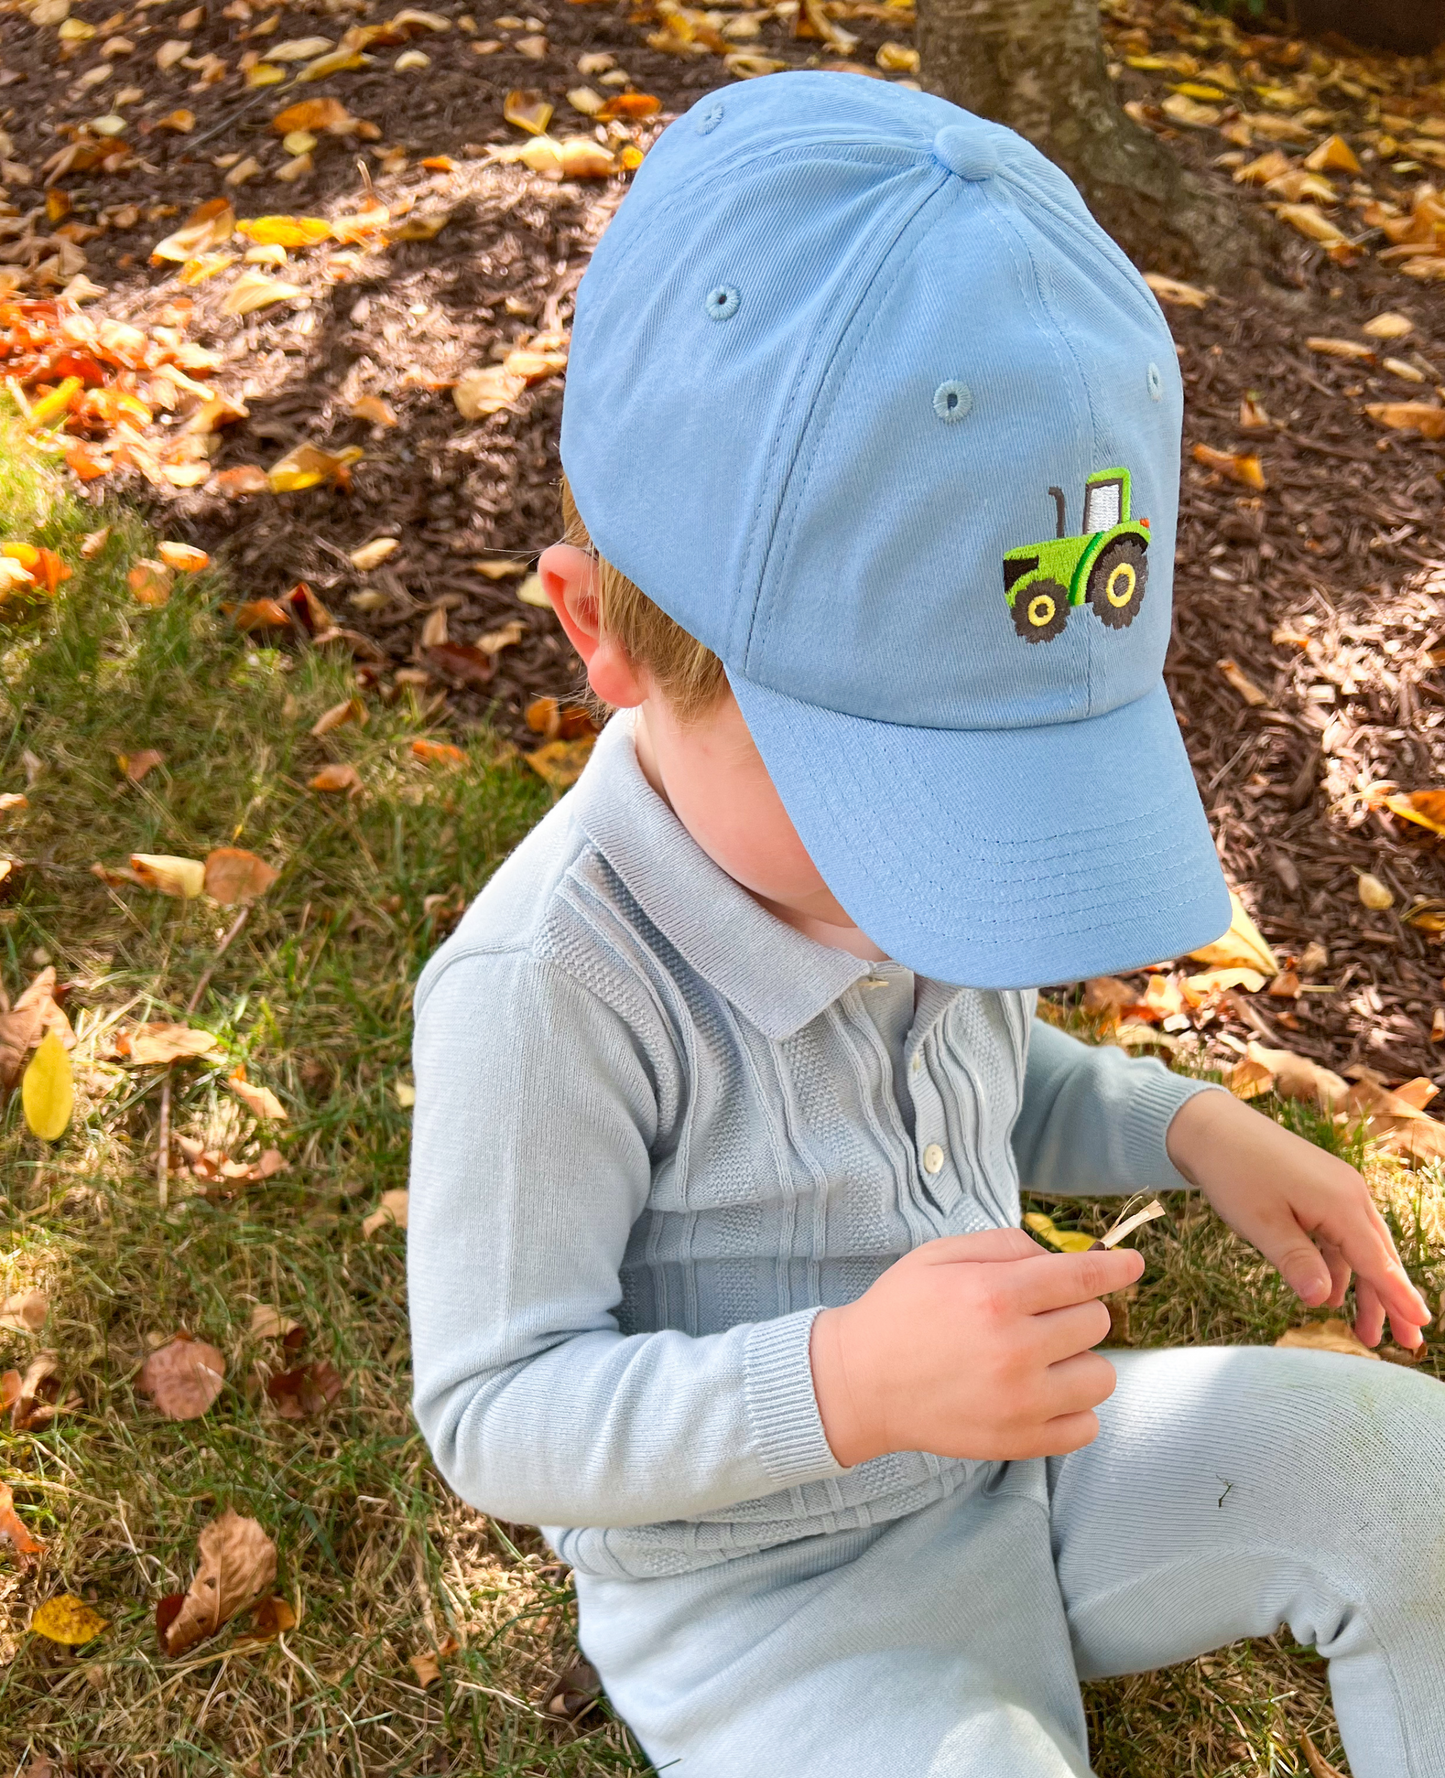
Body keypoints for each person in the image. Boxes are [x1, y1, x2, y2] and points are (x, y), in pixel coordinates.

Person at [407, 72, 1444, 1776]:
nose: (941, 900)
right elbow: (496, 1408)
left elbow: (981, 1073)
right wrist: (846, 1385)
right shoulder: (550, 991)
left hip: (1022, 1466)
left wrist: (1187, 1123)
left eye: (1003, 804)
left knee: (1402, 1470)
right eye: (892, 800)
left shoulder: (895, 906)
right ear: (599, 632)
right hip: (773, 1601)